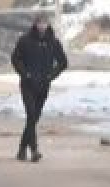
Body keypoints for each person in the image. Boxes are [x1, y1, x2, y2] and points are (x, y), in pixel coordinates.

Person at [10, 15, 67, 163]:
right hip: (27, 85)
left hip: (43, 86)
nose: (42, 26)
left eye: (44, 23)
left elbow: (63, 62)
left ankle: (22, 149)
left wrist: (50, 76)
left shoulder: (53, 42)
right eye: (39, 23)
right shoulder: (25, 40)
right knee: (31, 115)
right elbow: (15, 59)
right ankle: (34, 150)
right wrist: (25, 73)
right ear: (35, 24)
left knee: (34, 118)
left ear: (48, 25)